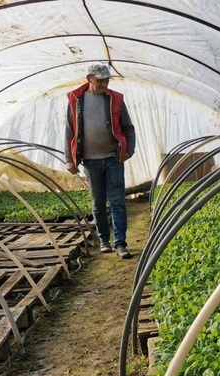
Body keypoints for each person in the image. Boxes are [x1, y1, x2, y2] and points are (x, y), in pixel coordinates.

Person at [65, 64, 136, 259]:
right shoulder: (76, 99)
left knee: (118, 202)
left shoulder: (115, 99)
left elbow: (128, 127)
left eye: (107, 80)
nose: (104, 84)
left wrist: (129, 150)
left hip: (113, 158)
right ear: (89, 78)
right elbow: (70, 130)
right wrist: (69, 160)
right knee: (97, 203)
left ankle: (120, 243)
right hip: (90, 160)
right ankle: (104, 240)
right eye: (100, 80)